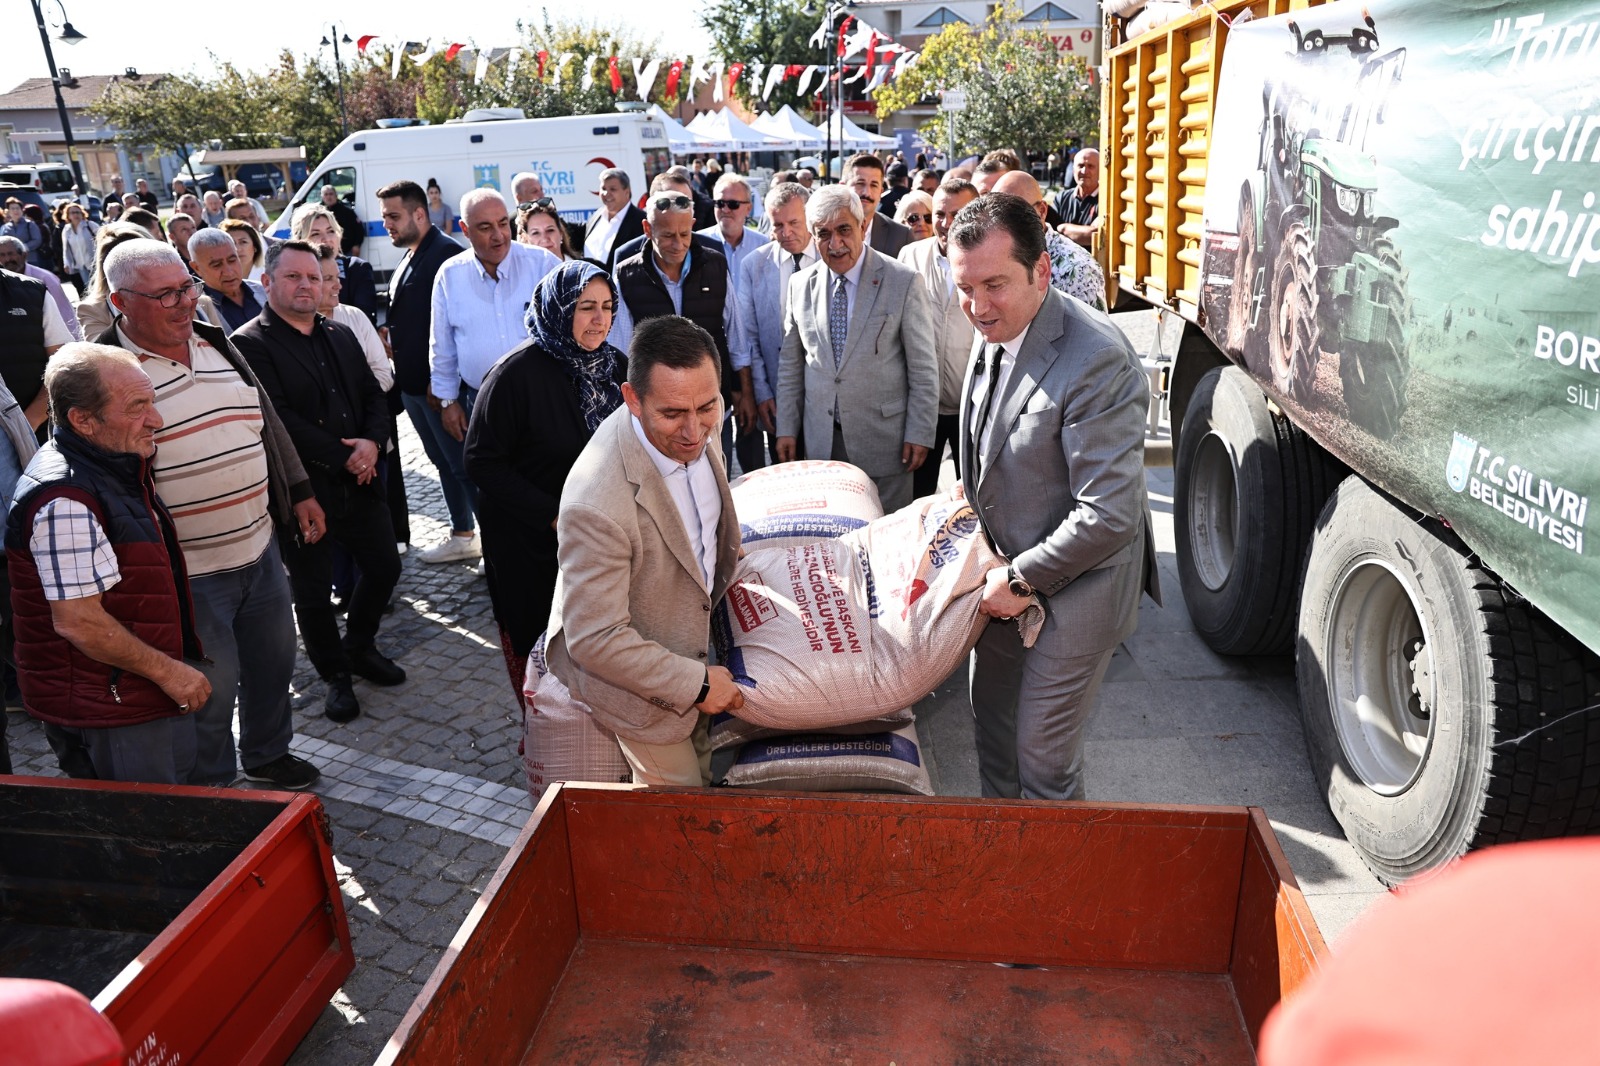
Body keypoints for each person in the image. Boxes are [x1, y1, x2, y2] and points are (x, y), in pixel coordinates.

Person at [949, 192, 1159, 801]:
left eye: (994, 285)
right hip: (1006, 576)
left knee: (1042, 761)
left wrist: (1018, 582)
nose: (977, 307)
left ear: (1041, 270)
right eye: (964, 288)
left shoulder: (1097, 359)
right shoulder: (999, 319)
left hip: (1076, 592)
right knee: (991, 732)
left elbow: (1108, 514)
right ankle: (1005, 865)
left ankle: (1051, 889)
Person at [97, 240, 324, 789]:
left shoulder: (217, 341)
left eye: (187, 287)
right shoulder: (106, 370)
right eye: (165, 295)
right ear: (120, 302)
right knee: (208, 691)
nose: (184, 303)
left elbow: (264, 421)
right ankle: (215, 787)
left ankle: (269, 754)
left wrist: (299, 489)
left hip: (259, 547)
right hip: (187, 573)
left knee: (273, 666)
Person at [545, 316, 743, 786]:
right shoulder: (596, 505)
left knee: (703, 770)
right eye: (673, 414)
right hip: (642, 700)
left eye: (707, 406)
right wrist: (696, 684)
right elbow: (593, 638)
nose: (695, 432)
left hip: (692, 654)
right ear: (632, 399)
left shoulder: (689, 417)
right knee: (682, 821)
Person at [6, 343, 209, 783]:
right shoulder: (66, 499)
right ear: (82, 419)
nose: (155, 419)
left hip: (127, 695)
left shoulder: (109, 464)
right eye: (137, 407)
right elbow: (79, 623)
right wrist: (171, 673)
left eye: (152, 402)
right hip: (111, 709)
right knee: (142, 833)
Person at [231, 240, 405, 723]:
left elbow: (374, 393)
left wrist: (371, 444)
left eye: (315, 277)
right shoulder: (249, 344)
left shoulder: (341, 333)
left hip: (362, 479)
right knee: (311, 591)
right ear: (267, 283)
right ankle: (335, 676)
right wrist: (345, 458)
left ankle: (360, 646)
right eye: (294, 277)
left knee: (384, 566)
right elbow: (277, 419)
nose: (307, 285)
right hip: (305, 490)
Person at [464, 262, 625, 700]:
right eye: (586, 307)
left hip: (602, 537)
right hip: (531, 545)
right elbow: (481, 461)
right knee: (542, 643)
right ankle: (546, 735)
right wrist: (551, 514)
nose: (600, 319)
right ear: (559, 308)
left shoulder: (616, 367)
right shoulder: (514, 374)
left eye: (608, 307)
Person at [775, 185, 938, 512]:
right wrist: (786, 429)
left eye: (844, 230)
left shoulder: (902, 281)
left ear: (864, 226)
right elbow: (792, 366)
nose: (834, 244)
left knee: (886, 543)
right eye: (823, 234)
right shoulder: (799, 286)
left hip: (886, 446)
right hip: (822, 445)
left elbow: (923, 368)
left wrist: (920, 432)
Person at [426, 188, 562, 565]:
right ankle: (504, 559)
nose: (499, 235)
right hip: (479, 402)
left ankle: (555, 560)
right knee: (494, 485)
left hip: (540, 401)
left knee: (544, 481)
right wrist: (448, 400)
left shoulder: (541, 265)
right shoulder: (450, 276)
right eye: (485, 228)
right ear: (464, 230)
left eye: (504, 223)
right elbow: (443, 344)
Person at [609, 191, 743, 465]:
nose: (678, 244)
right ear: (647, 229)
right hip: (661, 419)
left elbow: (737, 337)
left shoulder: (715, 265)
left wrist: (744, 393)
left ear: (693, 223)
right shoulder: (626, 275)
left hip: (713, 409)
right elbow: (622, 352)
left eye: (685, 233)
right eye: (668, 235)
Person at [378, 180, 461, 560]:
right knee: (442, 462)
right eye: (384, 218)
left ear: (420, 214)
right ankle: (462, 532)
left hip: (435, 387)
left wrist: (442, 386)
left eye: (394, 216)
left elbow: (454, 326)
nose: (387, 225)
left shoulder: (445, 255)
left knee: (460, 466)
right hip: (411, 384)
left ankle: (477, 536)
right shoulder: (412, 254)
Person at [899, 176, 980, 499]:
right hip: (923, 410)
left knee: (973, 498)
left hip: (971, 407)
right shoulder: (909, 257)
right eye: (940, 215)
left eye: (957, 215)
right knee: (918, 498)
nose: (946, 224)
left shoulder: (988, 259)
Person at [733, 181, 816, 473]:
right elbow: (749, 336)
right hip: (776, 401)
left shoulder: (830, 259)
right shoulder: (753, 265)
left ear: (811, 218)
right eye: (778, 224)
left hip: (826, 401)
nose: (786, 232)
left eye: (794, 222)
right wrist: (762, 392)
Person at [993, 170, 1108, 312]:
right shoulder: (991, 255)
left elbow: (1094, 332)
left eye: (1015, 212)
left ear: (1042, 211)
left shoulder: (1077, 269)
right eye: (996, 211)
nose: (1003, 221)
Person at [291, 203, 377, 323]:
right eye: (316, 233)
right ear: (300, 240)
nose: (326, 239)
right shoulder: (290, 275)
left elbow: (366, 322)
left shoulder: (356, 268)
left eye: (331, 231)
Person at [0, 235, 82, 344]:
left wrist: (74, 343)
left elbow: (65, 314)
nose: (7, 259)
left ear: (24, 255)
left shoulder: (45, 279)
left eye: (11, 254)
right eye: (2, 255)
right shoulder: (3, 281)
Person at [697, 173, 769, 293]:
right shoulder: (698, 242)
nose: (725, 210)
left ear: (748, 209)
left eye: (733, 204)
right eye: (720, 203)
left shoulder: (763, 245)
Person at [188, 227, 265, 334]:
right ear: (196, 268)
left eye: (232, 260)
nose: (228, 272)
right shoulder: (196, 311)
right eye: (216, 265)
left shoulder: (264, 291)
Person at [843, 153, 912, 258]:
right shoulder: (824, 230)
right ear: (843, 187)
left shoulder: (901, 235)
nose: (867, 193)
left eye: (874, 185)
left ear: (881, 191)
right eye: (860, 183)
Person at [582, 167, 646, 271]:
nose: (606, 193)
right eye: (603, 188)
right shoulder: (597, 216)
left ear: (627, 192)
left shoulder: (641, 221)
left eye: (613, 189)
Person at [1054, 148, 1101, 248]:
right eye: (1081, 166)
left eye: (1090, 166)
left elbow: (1095, 235)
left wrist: (1063, 228)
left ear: (1100, 170)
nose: (1084, 171)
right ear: (1073, 169)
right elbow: (1049, 233)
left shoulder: (1106, 201)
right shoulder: (1061, 198)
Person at [319, 185, 365, 258]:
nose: (329, 197)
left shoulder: (347, 211)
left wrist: (357, 245)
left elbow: (359, 230)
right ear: (322, 196)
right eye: (326, 194)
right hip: (327, 252)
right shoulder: (319, 213)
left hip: (346, 251)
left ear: (336, 195)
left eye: (331, 194)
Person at [221, 216, 266, 286]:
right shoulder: (217, 277)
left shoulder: (270, 275)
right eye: (231, 242)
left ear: (255, 246)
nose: (237, 249)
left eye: (243, 242)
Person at [1, 199, 44, 267]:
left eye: (17, 208)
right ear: (8, 211)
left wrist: (23, 247)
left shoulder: (30, 224)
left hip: (30, 260)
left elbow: (37, 240)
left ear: (21, 210)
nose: (15, 210)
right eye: (12, 208)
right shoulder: (5, 227)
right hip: (11, 262)